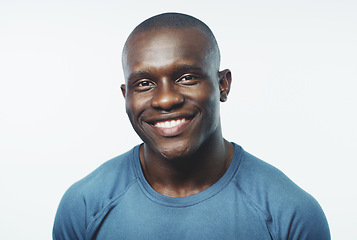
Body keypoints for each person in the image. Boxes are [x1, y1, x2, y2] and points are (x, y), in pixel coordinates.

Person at [53, 12, 330, 239]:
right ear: (126, 96)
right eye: (144, 84)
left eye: (186, 77)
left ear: (223, 85)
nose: (165, 99)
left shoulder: (291, 215)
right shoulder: (84, 206)